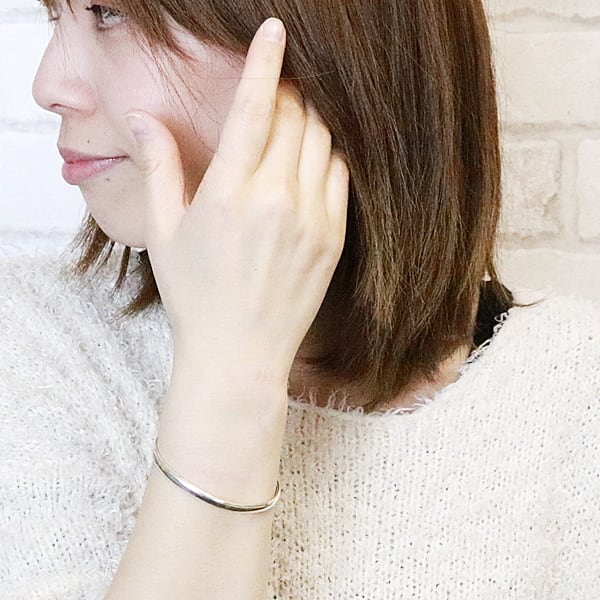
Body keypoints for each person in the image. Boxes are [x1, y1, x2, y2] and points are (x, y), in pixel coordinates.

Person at [0, 0, 598, 597]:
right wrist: (229, 374)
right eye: (57, 16)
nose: (48, 86)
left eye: (109, 13)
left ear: (329, 39)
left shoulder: (576, 392)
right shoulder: (33, 354)